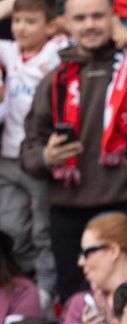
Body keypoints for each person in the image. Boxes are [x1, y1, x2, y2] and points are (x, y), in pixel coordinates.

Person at [23, 0, 127, 298]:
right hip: (69, 214)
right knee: (78, 316)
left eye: (97, 16)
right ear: (67, 23)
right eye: (80, 18)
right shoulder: (54, 80)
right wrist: (46, 157)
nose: (90, 24)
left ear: (114, 17)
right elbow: (28, 151)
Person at [0, 0, 68, 304]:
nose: (21, 28)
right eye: (17, 22)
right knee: (9, 227)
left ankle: (45, 294)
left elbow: (84, 30)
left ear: (49, 26)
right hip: (6, 158)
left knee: (43, 232)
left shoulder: (57, 51)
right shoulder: (9, 51)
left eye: (30, 21)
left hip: (39, 159)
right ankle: (25, 283)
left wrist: (59, 24)